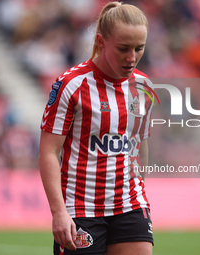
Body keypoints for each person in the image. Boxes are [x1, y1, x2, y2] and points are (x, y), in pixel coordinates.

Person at [39, 2, 154, 254]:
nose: (131, 57)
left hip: (130, 205)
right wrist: (59, 212)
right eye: (123, 48)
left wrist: (140, 192)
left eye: (139, 48)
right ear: (101, 41)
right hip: (80, 209)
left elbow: (140, 143)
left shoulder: (144, 87)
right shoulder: (71, 85)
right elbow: (48, 152)